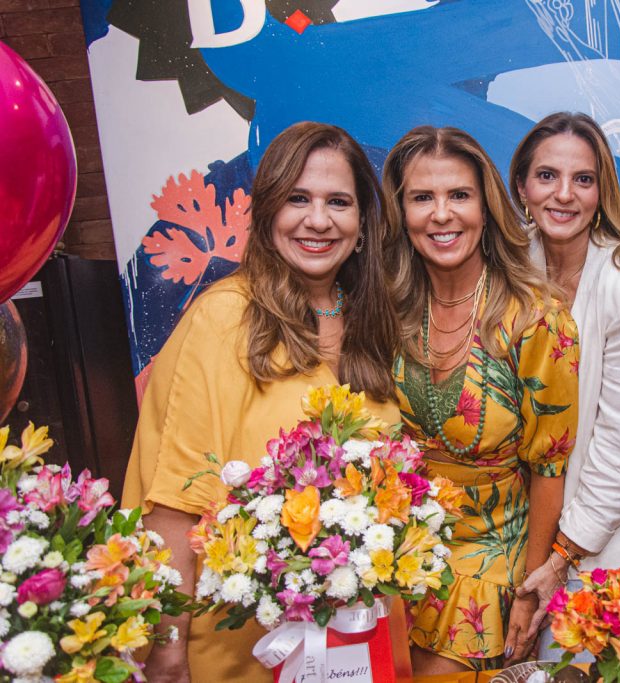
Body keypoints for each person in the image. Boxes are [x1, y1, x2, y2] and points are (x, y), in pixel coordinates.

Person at [122, 122, 400, 682]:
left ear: (362, 225)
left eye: (338, 202)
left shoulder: (372, 321)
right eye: (298, 198)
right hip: (248, 648)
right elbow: (174, 498)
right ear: (268, 209)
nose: (317, 220)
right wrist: (168, 650)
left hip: (363, 638)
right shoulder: (224, 319)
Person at [381, 126, 579, 674]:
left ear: (487, 208)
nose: (442, 214)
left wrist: (529, 588)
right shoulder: (387, 309)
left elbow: (550, 465)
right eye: (423, 198)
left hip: (493, 559)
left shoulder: (537, 318)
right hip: (394, 556)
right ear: (402, 213)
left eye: (459, 196)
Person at [507, 112, 620, 660]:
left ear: (602, 191)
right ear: (522, 186)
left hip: (601, 550)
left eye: (583, 179)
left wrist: (558, 563)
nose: (564, 194)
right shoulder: (512, 266)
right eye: (547, 176)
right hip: (524, 536)